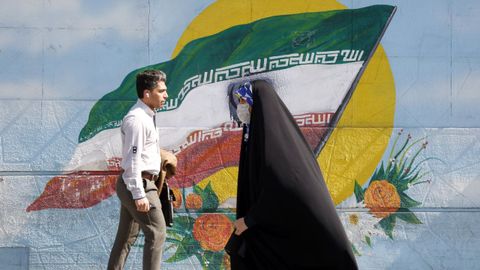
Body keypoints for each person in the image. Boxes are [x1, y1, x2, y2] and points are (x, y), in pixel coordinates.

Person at [228, 80, 358, 269]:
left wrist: (249, 221)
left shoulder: (277, 145)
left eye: (243, 102)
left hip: (300, 235)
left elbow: (282, 188)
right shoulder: (266, 137)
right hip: (284, 232)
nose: (240, 108)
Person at [108, 69, 169, 270]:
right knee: (157, 232)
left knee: (125, 239)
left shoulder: (147, 116)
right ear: (146, 93)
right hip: (138, 183)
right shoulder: (137, 120)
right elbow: (132, 159)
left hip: (138, 183)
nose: (166, 95)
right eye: (161, 91)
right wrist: (139, 194)